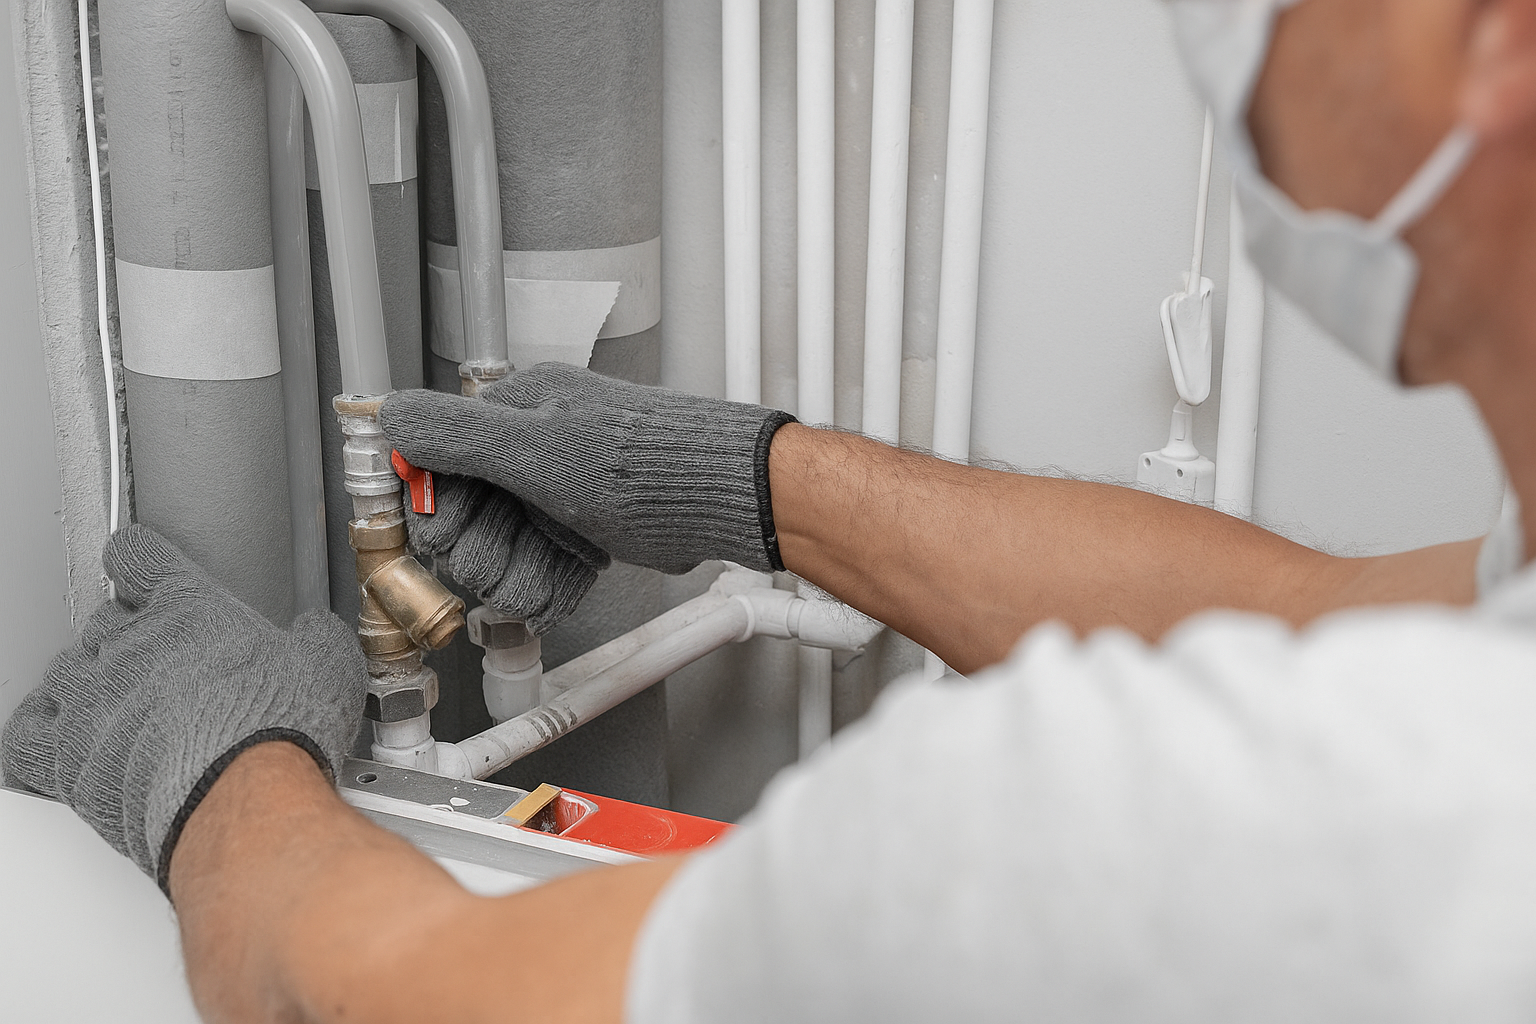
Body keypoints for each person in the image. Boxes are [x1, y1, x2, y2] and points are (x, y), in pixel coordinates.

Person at [6, 0, 1536, 1018]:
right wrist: (736, 475)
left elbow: (407, 990)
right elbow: (1313, 626)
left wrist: (219, 775)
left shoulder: (1264, 833)